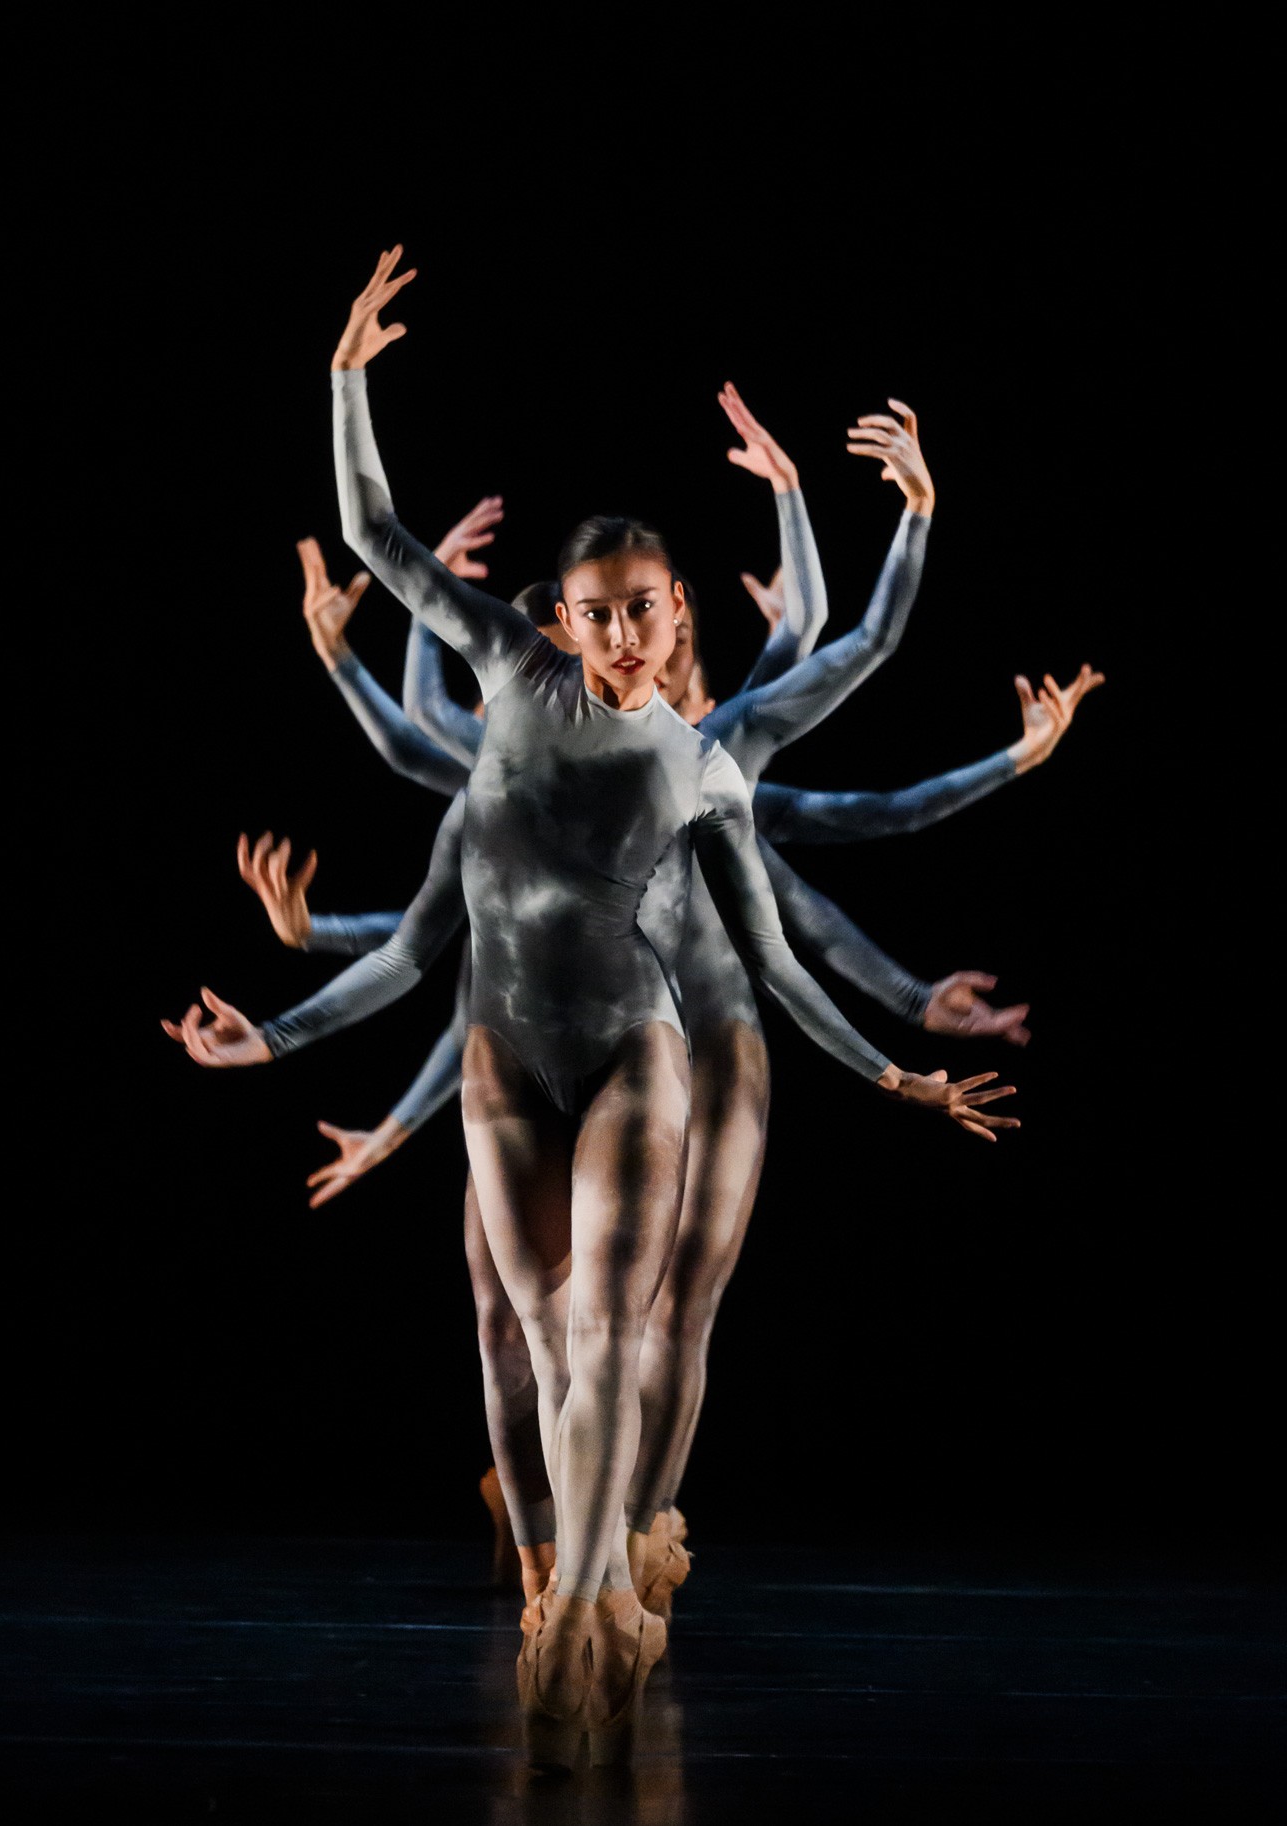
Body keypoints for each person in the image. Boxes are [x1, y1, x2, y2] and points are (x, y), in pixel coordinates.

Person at [164, 246, 1019, 1766]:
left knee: (630, 1317)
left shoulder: (711, 762)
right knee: (540, 1333)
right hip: (510, 1050)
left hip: (656, 1043)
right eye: (597, 613)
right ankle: (564, 1560)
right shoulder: (508, 683)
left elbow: (787, 935)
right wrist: (347, 376)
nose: (625, 634)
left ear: (677, 615)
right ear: (561, 621)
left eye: (646, 611)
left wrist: (896, 1062)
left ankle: (603, 1577)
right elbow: (426, 904)